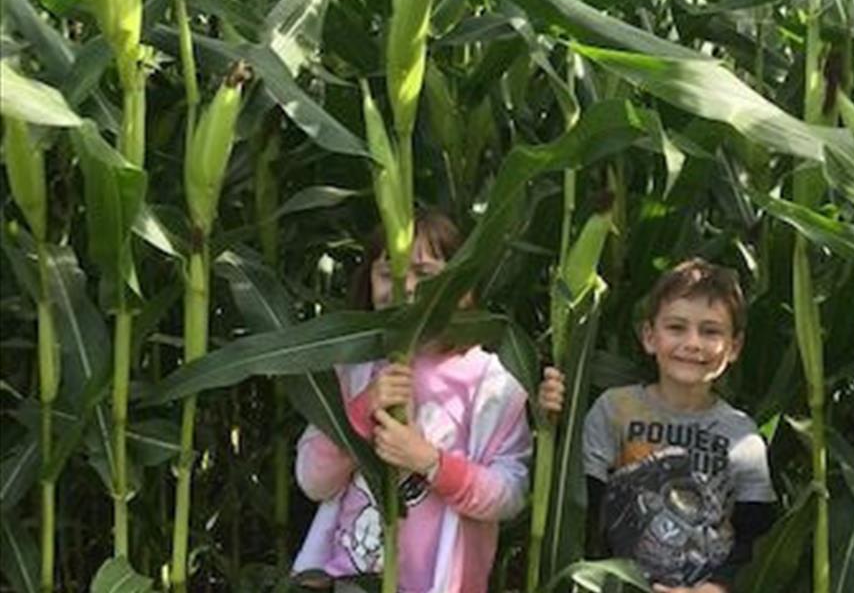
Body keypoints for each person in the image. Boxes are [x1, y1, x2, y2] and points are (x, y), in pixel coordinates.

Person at [292, 210, 542, 593]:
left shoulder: (493, 384)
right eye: (387, 272)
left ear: (460, 288)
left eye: (424, 275)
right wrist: (362, 412)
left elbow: (509, 495)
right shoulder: (353, 369)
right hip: (346, 578)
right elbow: (313, 481)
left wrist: (430, 461)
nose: (404, 285)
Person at [539, 258, 777, 593]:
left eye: (710, 331)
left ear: (734, 347)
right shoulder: (613, 409)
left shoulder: (743, 436)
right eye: (676, 328)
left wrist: (717, 587)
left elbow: (756, 538)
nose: (692, 343)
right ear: (649, 337)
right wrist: (549, 420)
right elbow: (580, 508)